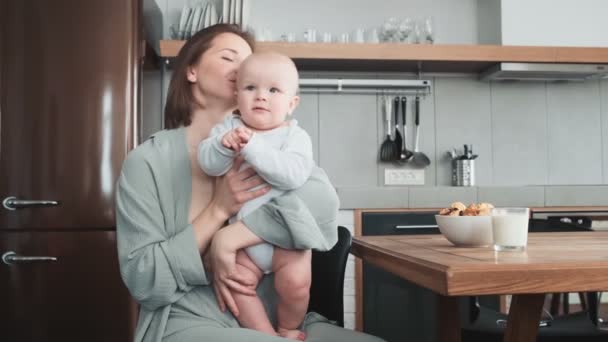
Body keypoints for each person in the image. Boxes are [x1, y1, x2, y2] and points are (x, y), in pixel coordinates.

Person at [115, 23, 386, 342]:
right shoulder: (148, 162)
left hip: (278, 315)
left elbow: (323, 205)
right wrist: (217, 211)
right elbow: (144, 280)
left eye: (248, 61)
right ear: (191, 70)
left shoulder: (279, 142)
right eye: (230, 57)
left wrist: (228, 238)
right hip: (188, 317)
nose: (243, 67)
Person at [197, 51, 313, 340]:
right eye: (250, 88)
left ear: (291, 103)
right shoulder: (229, 129)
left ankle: (288, 327)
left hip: (287, 238)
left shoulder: (295, 137)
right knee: (236, 285)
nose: (261, 96)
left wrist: (252, 148)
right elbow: (208, 163)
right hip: (244, 243)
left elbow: (294, 174)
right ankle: (266, 335)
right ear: (237, 97)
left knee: (297, 285)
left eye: (273, 90)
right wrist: (223, 147)